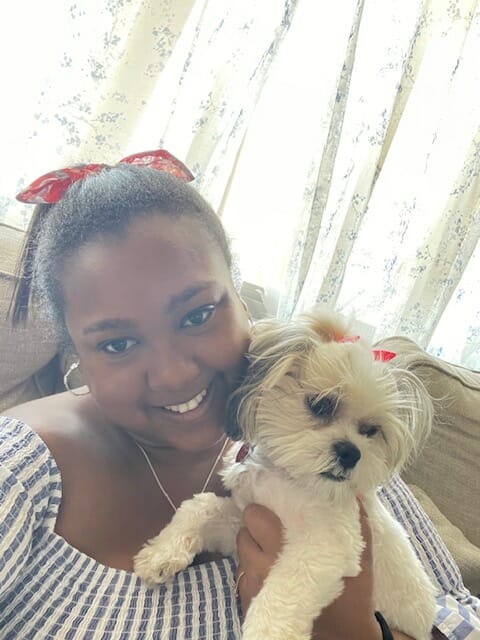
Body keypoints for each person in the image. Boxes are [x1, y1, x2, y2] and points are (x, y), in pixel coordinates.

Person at [0, 150, 478, 640]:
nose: (172, 374)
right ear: (75, 354)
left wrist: (353, 630)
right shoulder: (18, 473)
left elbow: (456, 613)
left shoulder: (345, 460)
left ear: (243, 302)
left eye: (197, 314)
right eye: (117, 344)